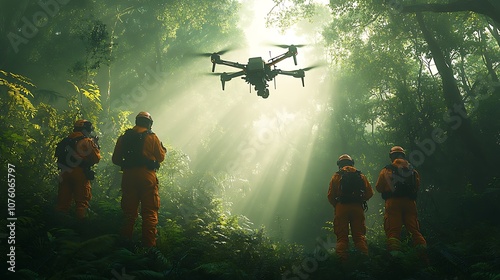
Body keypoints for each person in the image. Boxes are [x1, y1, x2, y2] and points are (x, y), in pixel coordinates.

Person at [112, 111, 166, 247]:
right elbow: (160, 157)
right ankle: (149, 248)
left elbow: (116, 159)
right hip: (147, 176)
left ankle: (124, 244)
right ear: (149, 123)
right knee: (149, 212)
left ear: (137, 121)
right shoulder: (152, 137)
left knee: (128, 212)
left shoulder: (124, 138)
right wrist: (163, 150)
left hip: (128, 176)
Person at [375, 146, 426, 254]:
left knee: (393, 232)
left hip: (393, 203)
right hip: (410, 203)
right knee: (414, 231)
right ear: (403, 155)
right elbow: (416, 186)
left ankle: (396, 259)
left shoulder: (386, 170)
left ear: (391, 156)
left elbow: (379, 188)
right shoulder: (412, 170)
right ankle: (423, 256)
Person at [327, 154, 373, 261]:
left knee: (342, 238)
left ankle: (343, 263)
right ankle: (364, 261)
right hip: (357, 208)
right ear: (351, 163)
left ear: (339, 165)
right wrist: (359, 200)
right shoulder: (360, 176)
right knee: (359, 236)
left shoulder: (336, 176)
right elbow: (369, 193)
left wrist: (337, 204)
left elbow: (330, 196)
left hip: (341, 207)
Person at [55, 119, 101, 220]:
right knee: (82, 203)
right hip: (79, 172)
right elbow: (96, 158)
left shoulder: (65, 140)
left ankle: (59, 228)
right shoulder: (86, 141)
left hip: (64, 173)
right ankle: (80, 228)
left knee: (62, 204)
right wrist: (96, 145)